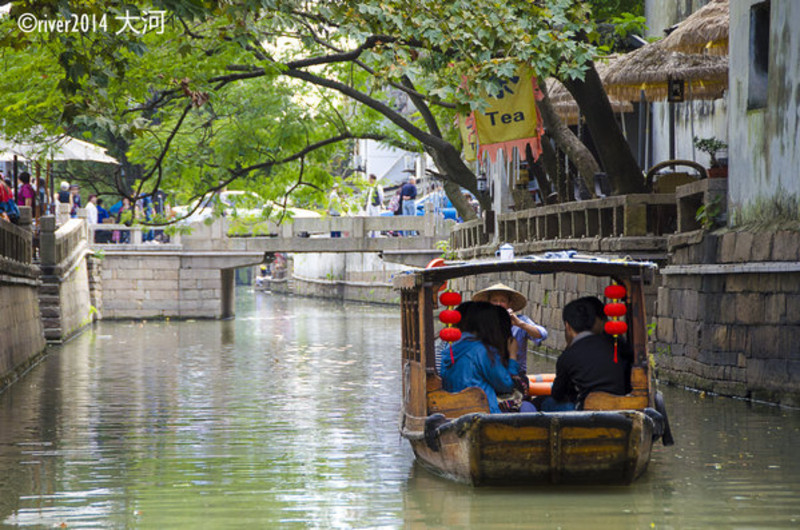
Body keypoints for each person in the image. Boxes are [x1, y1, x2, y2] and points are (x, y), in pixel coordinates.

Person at [439, 301, 536, 413]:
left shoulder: (449, 348)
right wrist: (513, 356)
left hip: (454, 410)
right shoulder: (482, 351)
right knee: (528, 408)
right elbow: (506, 385)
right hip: (484, 413)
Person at [538, 298, 628, 412]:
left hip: (587, 412)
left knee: (545, 402)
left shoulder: (567, 357)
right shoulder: (614, 343)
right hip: (621, 405)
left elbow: (557, 394)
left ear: (567, 326)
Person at [472, 283, 547, 376]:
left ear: (509, 304)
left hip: (516, 375)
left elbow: (542, 334)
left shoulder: (520, 320)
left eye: (502, 301)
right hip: (489, 374)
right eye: (494, 301)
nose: (498, 304)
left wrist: (520, 324)